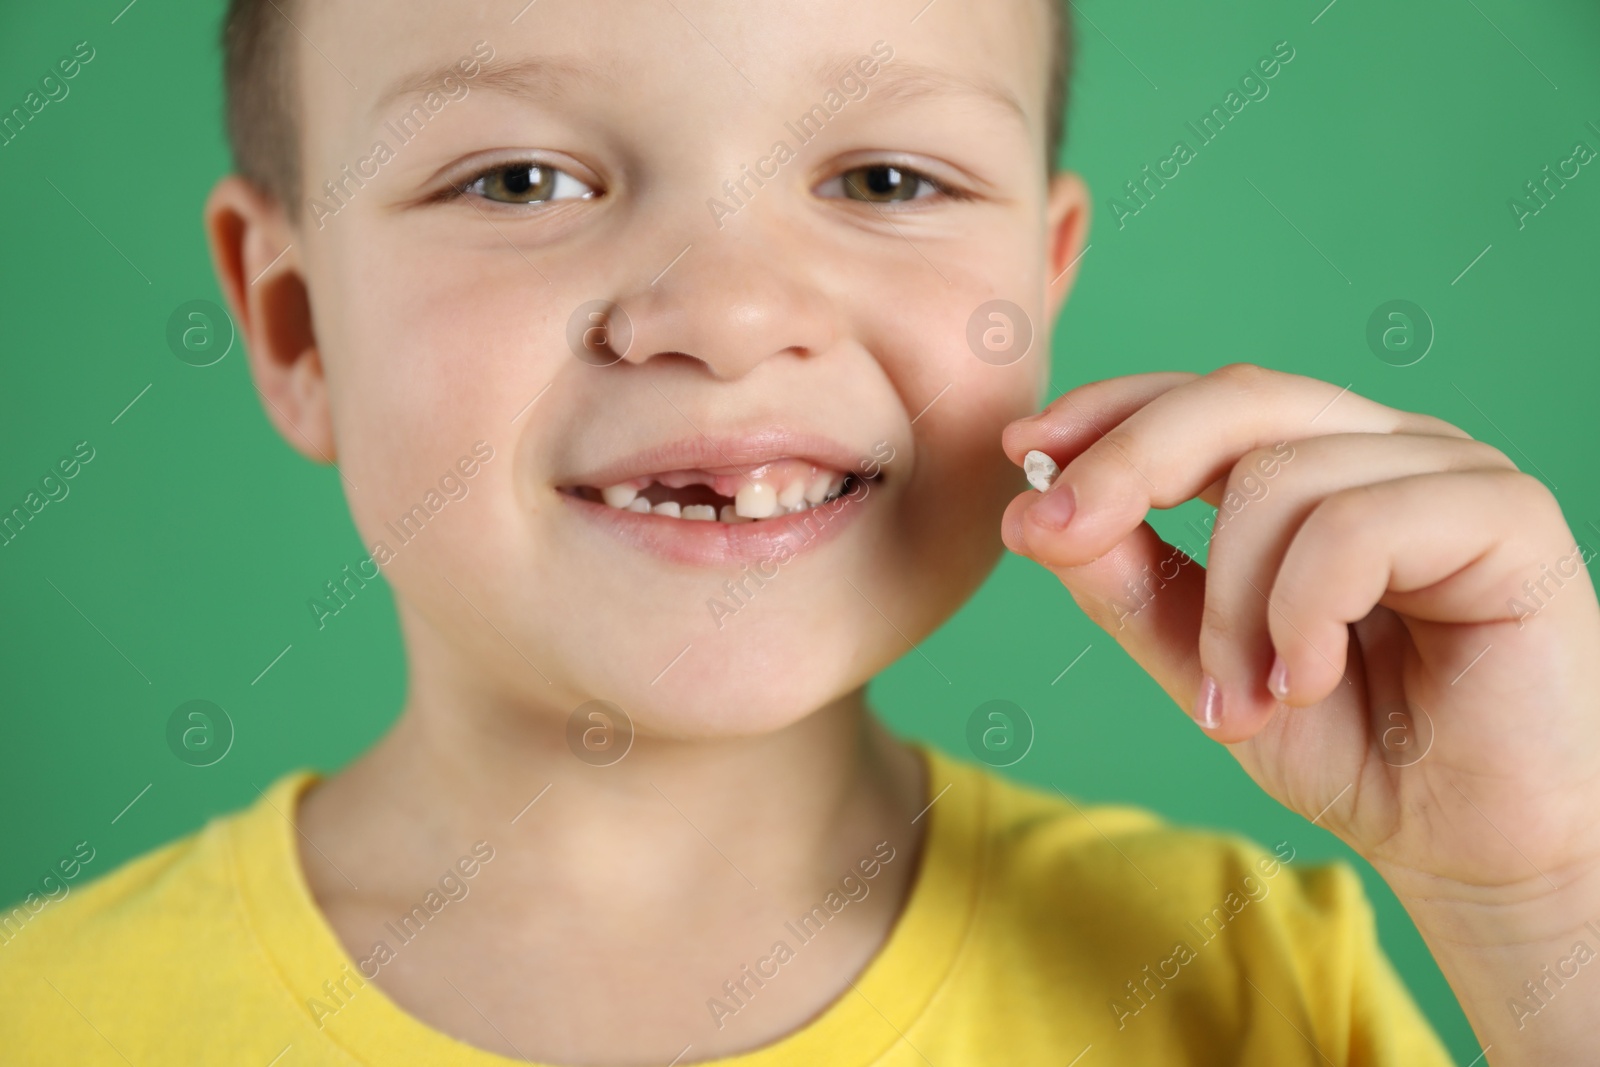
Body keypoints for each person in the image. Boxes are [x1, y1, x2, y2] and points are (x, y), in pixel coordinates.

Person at [4, 0, 1597, 1063]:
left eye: (889, 175)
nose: (730, 312)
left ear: (1039, 289)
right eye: (521, 178)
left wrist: (1543, 902)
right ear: (292, 325)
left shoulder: (1251, 985)